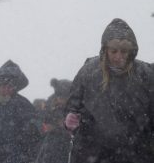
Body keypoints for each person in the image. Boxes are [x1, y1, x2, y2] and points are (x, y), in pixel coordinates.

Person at [65, 18, 154, 163]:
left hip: (136, 154)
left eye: (124, 51)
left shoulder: (146, 74)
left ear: (131, 52)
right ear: (105, 50)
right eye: (114, 51)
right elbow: (73, 104)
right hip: (93, 153)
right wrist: (70, 116)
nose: (119, 57)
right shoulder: (89, 71)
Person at [36, 78, 72, 163]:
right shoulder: (50, 107)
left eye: (63, 97)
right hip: (51, 147)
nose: (60, 99)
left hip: (67, 148)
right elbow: (42, 124)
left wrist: (58, 127)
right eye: (59, 96)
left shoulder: (75, 110)